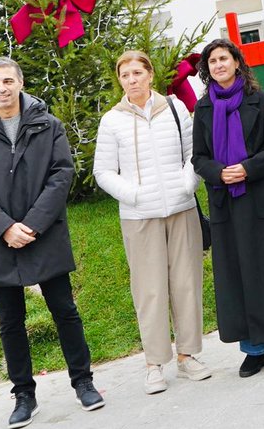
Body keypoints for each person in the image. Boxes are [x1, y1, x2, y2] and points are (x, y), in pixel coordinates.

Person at [0, 57, 104, 429]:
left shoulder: (47, 125)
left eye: (7, 81)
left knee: (64, 310)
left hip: (45, 231)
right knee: (10, 322)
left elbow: (60, 175)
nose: (1, 89)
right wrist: (5, 228)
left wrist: (32, 225)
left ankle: (83, 382)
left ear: (21, 83)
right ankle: (23, 394)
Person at [190, 39, 264, 378]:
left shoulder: (261, 100)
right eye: (212, 61)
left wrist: (246, 168)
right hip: (226, 204)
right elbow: (198, 157)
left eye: (223, 58)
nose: (218, 65)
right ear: (207, 69)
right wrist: (218, 172)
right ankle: (254, 350)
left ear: (236, 62)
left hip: (262, 199)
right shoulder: (202, 110)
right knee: (238, 275)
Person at [93, 50, 210, 395]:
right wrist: (133, 195)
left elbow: (194, 154)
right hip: (139, 217)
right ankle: (154, 363)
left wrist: (188, 184)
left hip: (181, 209)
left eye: (137, 73)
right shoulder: (111, 121)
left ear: (149, 75)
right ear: (120, 81)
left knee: (186, 283)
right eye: (125, 75)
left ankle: (188, 355)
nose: (132, 80)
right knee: (150, 289)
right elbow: (103, 171)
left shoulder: (174, 109)